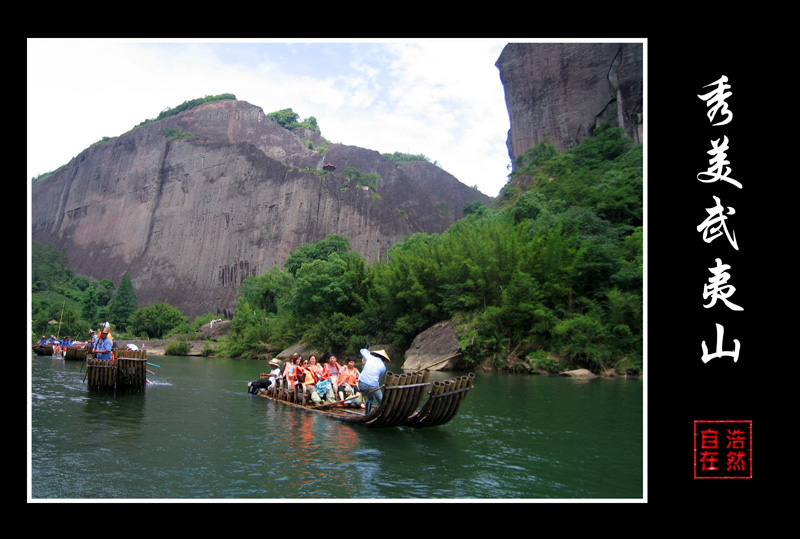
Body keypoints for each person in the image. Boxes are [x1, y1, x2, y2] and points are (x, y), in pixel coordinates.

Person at [358, 348, 390, 413]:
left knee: (370, 396)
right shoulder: (383, 367)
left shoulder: (370, 357)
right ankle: (385, 412)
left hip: (362, 385)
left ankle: (367, 414)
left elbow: (362, 350)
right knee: (381, 400)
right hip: (373, 386)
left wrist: (370, 352)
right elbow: (378, 378)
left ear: (376, 355)